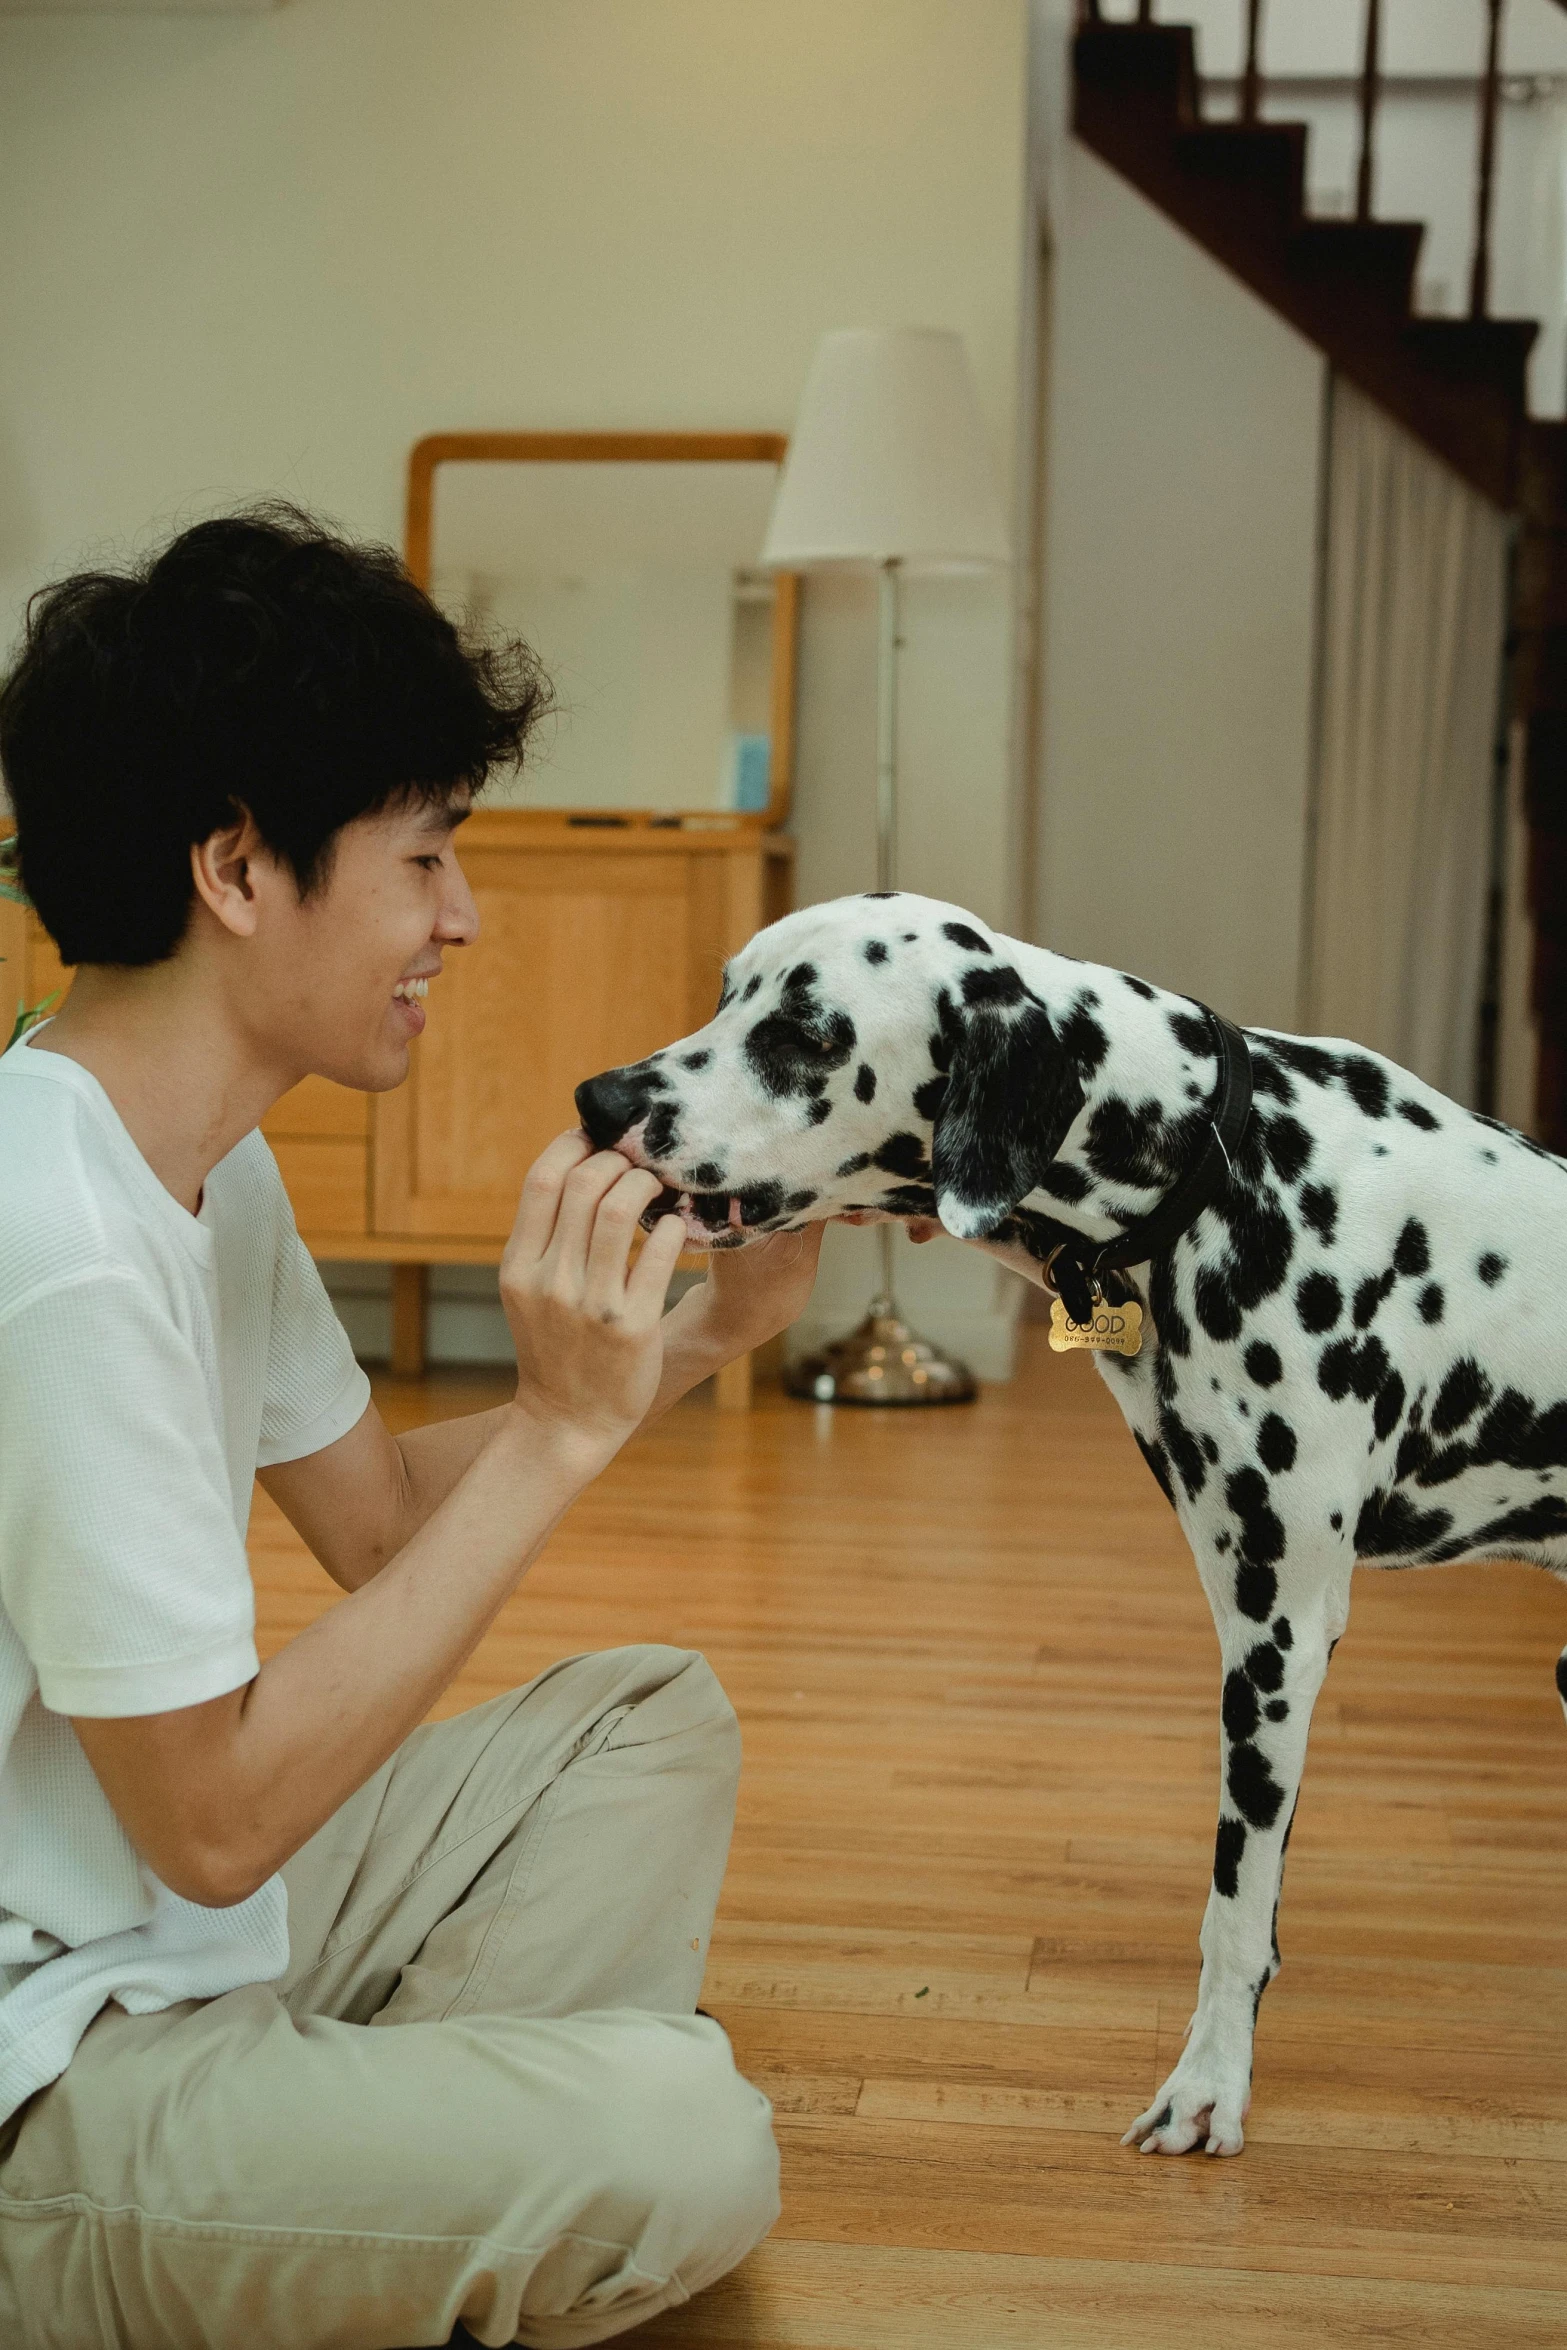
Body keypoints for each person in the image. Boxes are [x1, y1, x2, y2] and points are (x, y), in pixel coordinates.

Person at [0, 506, 822, 2350]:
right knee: (684, 2137)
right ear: (236, 867)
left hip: (175, 1938)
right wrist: (547, 1439)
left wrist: (697, 1328)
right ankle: (339, 2182)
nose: (457, 916)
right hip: (46, 2071)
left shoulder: (203, 1161)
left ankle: (347, 2178)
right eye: (426, 856)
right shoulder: (52, 1243)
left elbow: (373, 1522)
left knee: (646, 1716)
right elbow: (211, 1823)